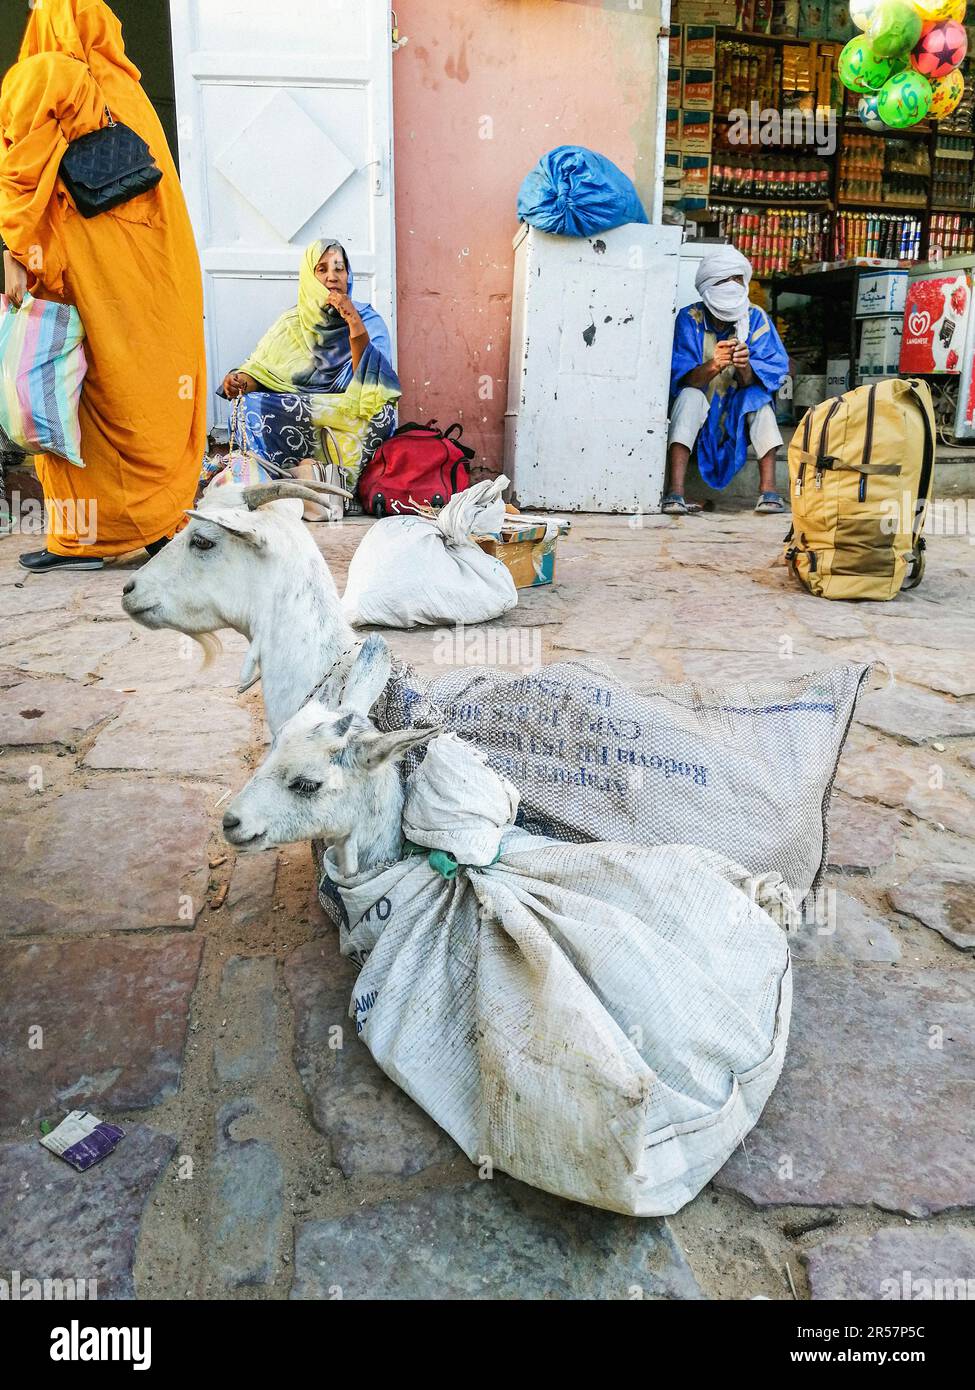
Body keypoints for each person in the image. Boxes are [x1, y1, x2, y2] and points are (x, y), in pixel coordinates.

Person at [0, 0, 206, 573]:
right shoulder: (129, 92)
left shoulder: (46, 75)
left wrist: (16, 253)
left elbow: (19, 173)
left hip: (87, 271)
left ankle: (87, 538)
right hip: (155, 277)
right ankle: (161, 521)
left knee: (77, 388)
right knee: (150, 386)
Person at [219, 238, 401, 491]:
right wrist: (238, 381)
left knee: (382, 414)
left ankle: (346, 487)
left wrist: (353, 321)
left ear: (349, 274)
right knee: (247, 406)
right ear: (308, 276)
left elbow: (374, 386)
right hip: (300, 411)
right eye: (322, 269)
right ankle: (279, 484)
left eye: (339, 268)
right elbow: (260, 371)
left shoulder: (368, 319)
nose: (332, 277)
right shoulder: (292, 322)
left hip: (350, 410)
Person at [664, 246, 789, 516]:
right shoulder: (689, 319)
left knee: (759, 401)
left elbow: (770, 376)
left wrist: (745, 368)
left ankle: (769, 491)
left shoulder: (756, 319)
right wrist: (714, 365)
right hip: (702, 408)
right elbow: (679, 378)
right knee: (689, 397)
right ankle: (674, 492)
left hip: (735, 411)